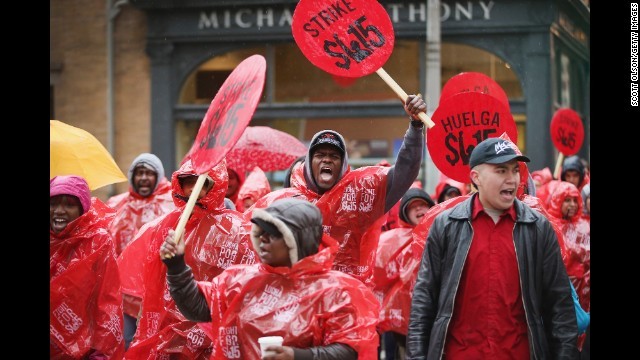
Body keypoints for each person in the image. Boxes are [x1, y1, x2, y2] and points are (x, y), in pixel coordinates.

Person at [406, 137, 579, 359]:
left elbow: (560, 308)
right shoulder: (446, 226)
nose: (511, 179)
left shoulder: (537, 228)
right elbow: (424, 302)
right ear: (475, 177)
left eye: (515, 170)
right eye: (501, 171)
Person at [160, 198, 381, 359]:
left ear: (299, 240)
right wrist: (176, 264)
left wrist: (295, 356)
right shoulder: (240, 279)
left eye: (274, 233)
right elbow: (196, 308)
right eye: (261, 231)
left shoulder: (338, 291)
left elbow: (349, 351)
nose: (263, 239)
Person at [250, 94, 426, 286]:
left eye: (334, 156)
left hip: (345, 300)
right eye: (320, 155)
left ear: (343, 165)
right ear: (309, 163)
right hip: (299, 299)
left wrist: (416, 126)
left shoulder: (361, 194)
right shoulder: (283, 202)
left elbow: (405, 171)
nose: (327, 160)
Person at [123, 159, 258, 358]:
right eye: (189, 182)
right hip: (170, 326)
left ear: (217, 184)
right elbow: (152, 283)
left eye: (203, 183)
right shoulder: (167, 225)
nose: (194, 189)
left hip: (211, 324)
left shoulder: (238, 229)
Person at [50, 175, 125, 359]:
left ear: (82, 208)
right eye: (54, 203)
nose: (59, 211)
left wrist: (102, 351)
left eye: (69, 205)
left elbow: (108, 300)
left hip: (83, 350)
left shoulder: (98, 242)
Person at [107, 153, 175, 350]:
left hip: (158, 288)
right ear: (132, 176)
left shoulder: (171, 202)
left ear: (158, 176)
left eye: (149, 173)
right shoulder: (117, 204)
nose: (144, 177)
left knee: (156, 342)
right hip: (124, 290)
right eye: (139, 173)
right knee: (125, 340)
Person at [374, 188, 436, 360]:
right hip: (404, 322)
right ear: (404, 213)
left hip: (435, 315)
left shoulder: (442, 233)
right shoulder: (392, 241)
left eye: (423, 205)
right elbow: (379, 276)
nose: (419, 209)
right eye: (413, 206)